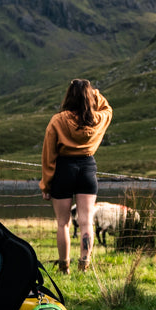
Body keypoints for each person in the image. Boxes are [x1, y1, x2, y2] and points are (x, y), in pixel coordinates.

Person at [40, 79, 113, 273]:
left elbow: (48, 156)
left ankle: (64, 266)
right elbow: (107, 107)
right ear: (89, 97)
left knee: (63, 222)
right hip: (87, 168)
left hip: (64, 169)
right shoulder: (98, 119)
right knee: (86, 221)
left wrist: (46, 185)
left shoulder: (58, 120)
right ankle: (84, 263)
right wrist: (93, 92)